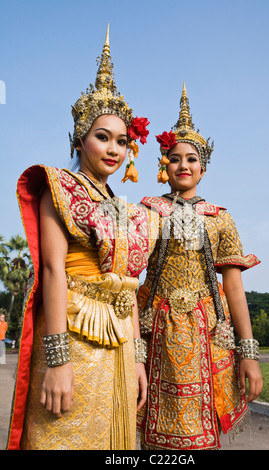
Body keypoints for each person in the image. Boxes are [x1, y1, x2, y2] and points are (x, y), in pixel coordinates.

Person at [7, 26, 157, 450]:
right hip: (74, 336)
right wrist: (57, 362)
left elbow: (129, 289)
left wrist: (139, 359)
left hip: (122, 346)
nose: (114, 149)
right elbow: (53, 271)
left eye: (122, 141)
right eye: (102, 137)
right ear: (80, 138)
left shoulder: (128, 209)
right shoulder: (58, 188)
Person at [137, 84, 263, 450]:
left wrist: (249, 353)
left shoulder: (220, 219)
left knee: (201, 434)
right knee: (149, 425)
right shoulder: (146, 213)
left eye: (192, 159)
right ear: (165, 165)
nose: (183, 165)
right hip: (155, 331)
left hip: (209, 333)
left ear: (203, 169)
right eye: (175, 158)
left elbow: (234, 289)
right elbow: (128, 279)